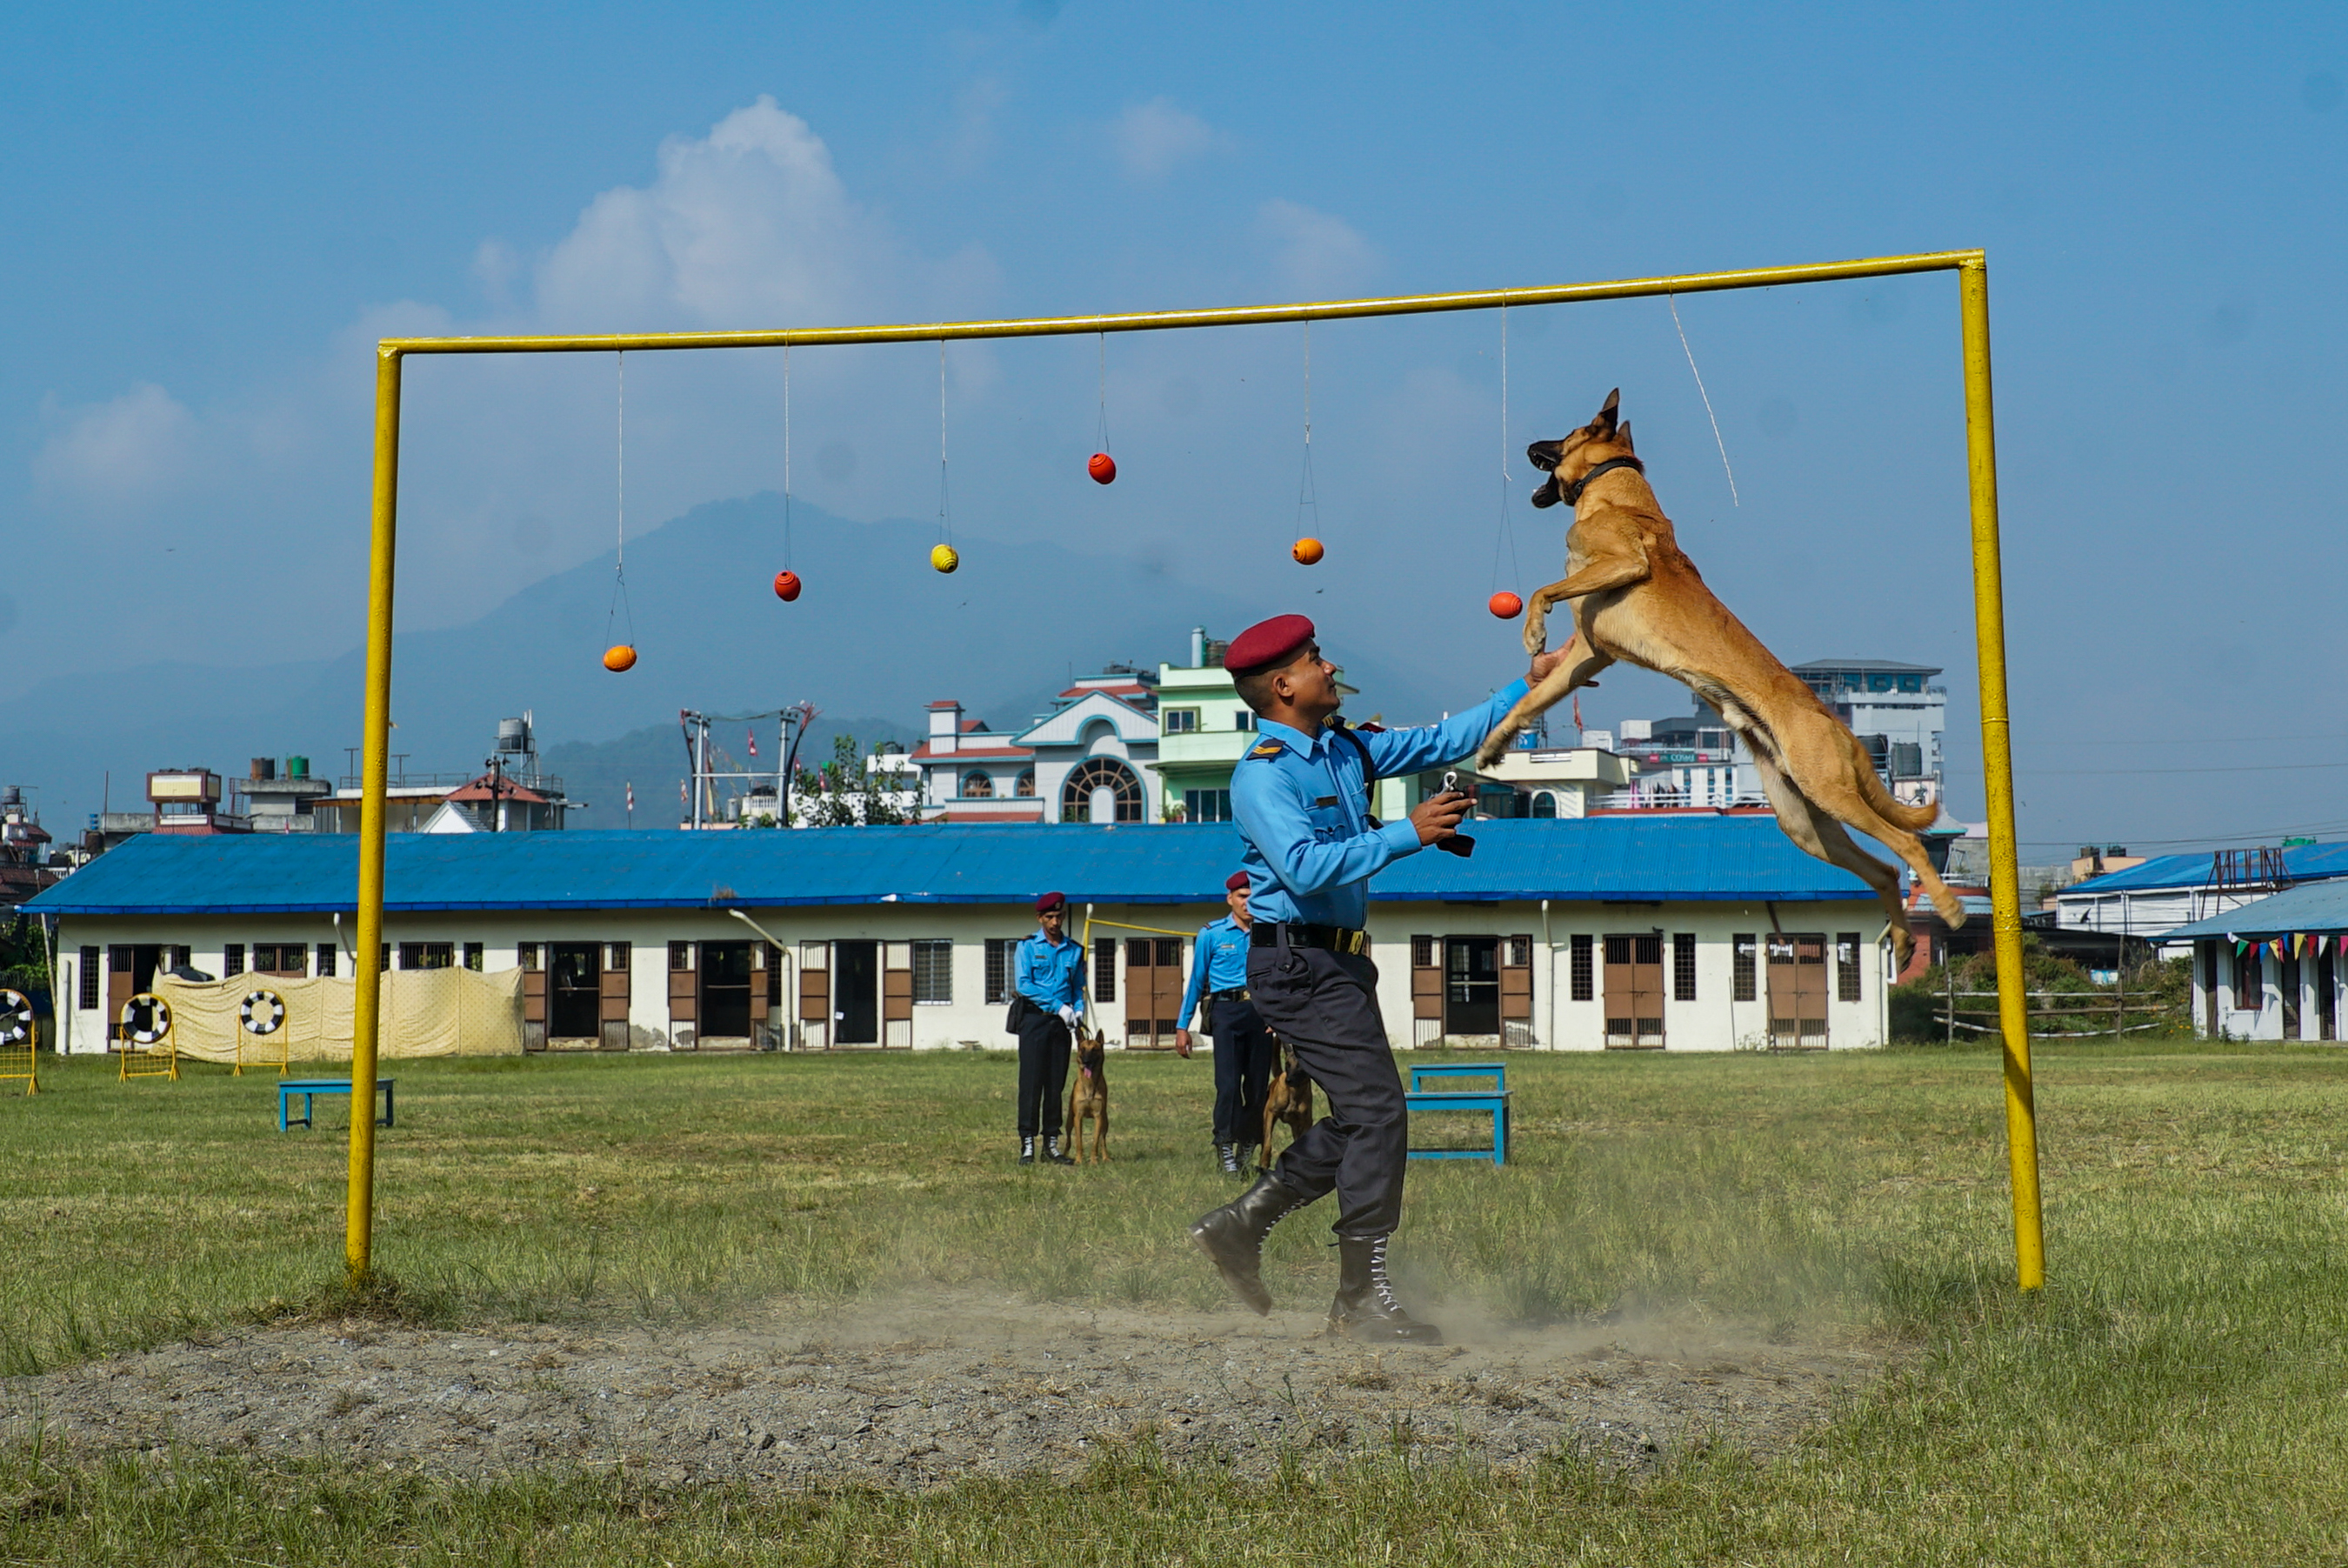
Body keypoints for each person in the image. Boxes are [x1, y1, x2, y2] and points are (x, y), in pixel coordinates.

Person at [1188, 613, 1564, 1344]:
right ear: (1284, 684)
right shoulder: (1262, 774)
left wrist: (1532, 684)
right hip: (1294, 962)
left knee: (1368, 1114)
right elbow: (1303, 866)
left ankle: (1244, 1224)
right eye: (1316, 659)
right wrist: (1407, 833)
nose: (1331, 668)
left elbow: (1445, 740)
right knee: (1381, 1114)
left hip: (1336, 961)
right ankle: (1357, 1295)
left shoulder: (1345, 748)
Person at [1175, 870, 1275, 1176]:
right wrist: (1183, 1026)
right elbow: (1196, 981)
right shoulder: (1212, 934)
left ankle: (1248, 1145)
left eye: (1253, 897)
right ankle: (1225, 1146)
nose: (1249, 903)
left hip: (1260, 1014)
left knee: (1258, 1088)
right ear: (1230, 899)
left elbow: (1279, 979)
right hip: (1226, 1013)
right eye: (1243, 897)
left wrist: (1280, 1016)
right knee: (1228, 1085)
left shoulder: (1269, 933)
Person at [1012, 891, 1088, 1166]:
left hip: (1061, 1024)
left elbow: (1078, 986)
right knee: (1031, 1084)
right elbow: (1024, 984)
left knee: (1055, 1084)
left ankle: (1052, 1144)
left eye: (1059, 916)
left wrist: (1078, 1010)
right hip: (1035, 1020)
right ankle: (1028, 1143)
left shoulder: (1074, 950)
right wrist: (1059, 1005)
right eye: (1050, 917)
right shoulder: (1028, 947)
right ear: (1040, 918)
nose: (1055, 922)